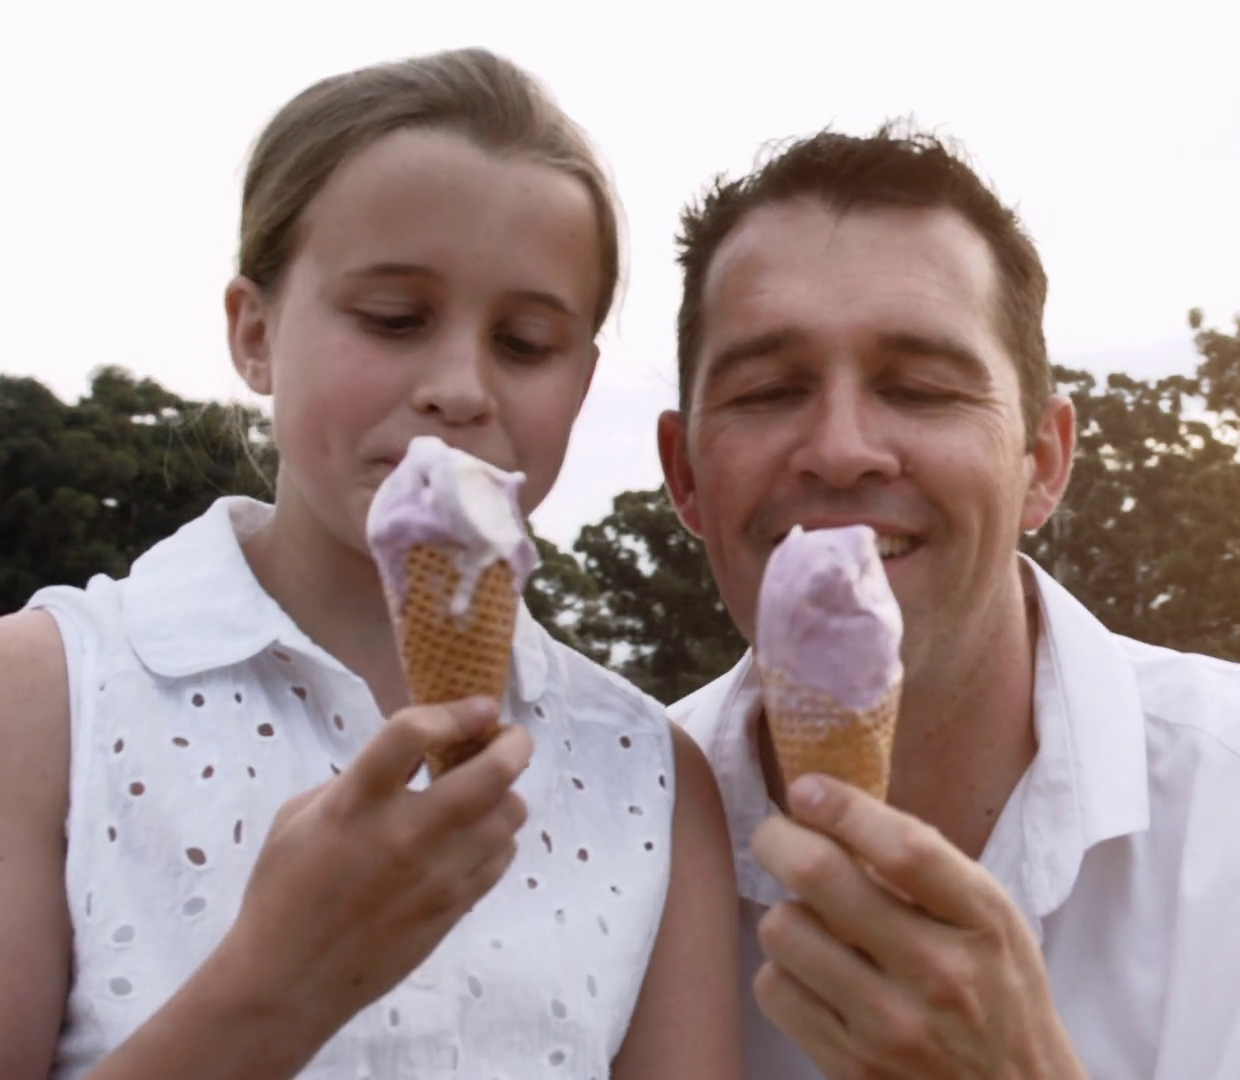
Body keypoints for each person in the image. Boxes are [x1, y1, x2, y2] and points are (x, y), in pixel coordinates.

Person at [662, 123, 1240, 1079]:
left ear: (1044, 465)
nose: (843, 446)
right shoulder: (595, 835)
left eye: (922, 388)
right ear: (686, 476)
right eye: (770, 390)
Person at [0, 48, 741, 1080]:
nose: (457, 386)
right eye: (394, 319)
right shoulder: (45, 699)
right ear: (255, 333)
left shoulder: (653, 778)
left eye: (526, 342)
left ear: (582, 381)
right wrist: (273, 990)